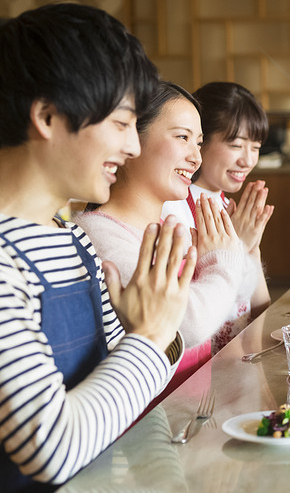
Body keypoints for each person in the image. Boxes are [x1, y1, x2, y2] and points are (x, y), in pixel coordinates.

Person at [0, 3, 195, 490]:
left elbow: (128, 383)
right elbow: (51, 447)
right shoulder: (5, 262)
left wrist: (153, 332)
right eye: (122, 122)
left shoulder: (70, 240)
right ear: (47, 116)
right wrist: (151, 337)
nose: (133, 146)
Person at [75, 82, 260, 390]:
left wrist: (243, 249)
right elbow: (186, 324)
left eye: (198, 143)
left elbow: (231, 301)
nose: (196, 158)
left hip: (189, 418)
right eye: (182, 137)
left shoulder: (170, 227)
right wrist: (223, 261)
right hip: (149, 429)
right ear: (132, 140)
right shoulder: (101, 234)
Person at [161, 81, 273, 349]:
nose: (248, 160)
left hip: (241, 358)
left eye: (255, 147)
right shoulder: (173, 207)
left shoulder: (224, 203)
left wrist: (250, 251)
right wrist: (238, 249)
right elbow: (194, 318)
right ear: (201, 140)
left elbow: (258, 311)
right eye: (236, 145)